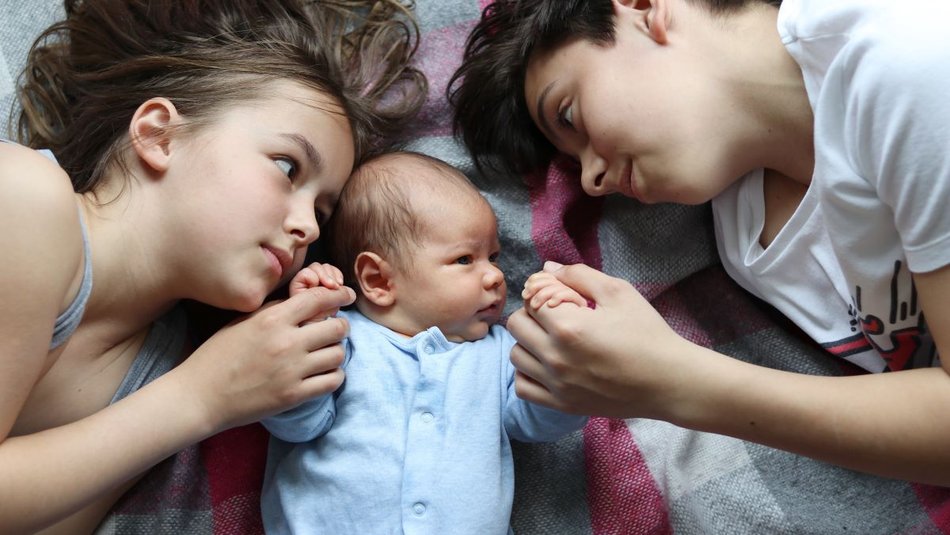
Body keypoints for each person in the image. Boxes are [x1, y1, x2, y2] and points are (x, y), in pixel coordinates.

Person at [448, 0, 950, 486]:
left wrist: (674, 382)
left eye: (570, 116)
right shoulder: (745, 241)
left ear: (644, 9)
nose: (591, 181)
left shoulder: (905, 56)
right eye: (576, 164)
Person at [0, 0, 426, 533]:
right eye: (287, 166)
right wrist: (202, 397)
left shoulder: (155, 368)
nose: (311, 230)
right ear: (160, 135)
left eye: (321, 210)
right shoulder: (23, 197)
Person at [260, 151, 589, 534]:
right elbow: (295, 425)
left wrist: (564, 350)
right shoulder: (340, 336)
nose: (496, 277)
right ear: (379, 281)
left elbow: (540, 422)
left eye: (494, 257)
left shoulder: (502, 352)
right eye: (465, 259)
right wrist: (308, 326)